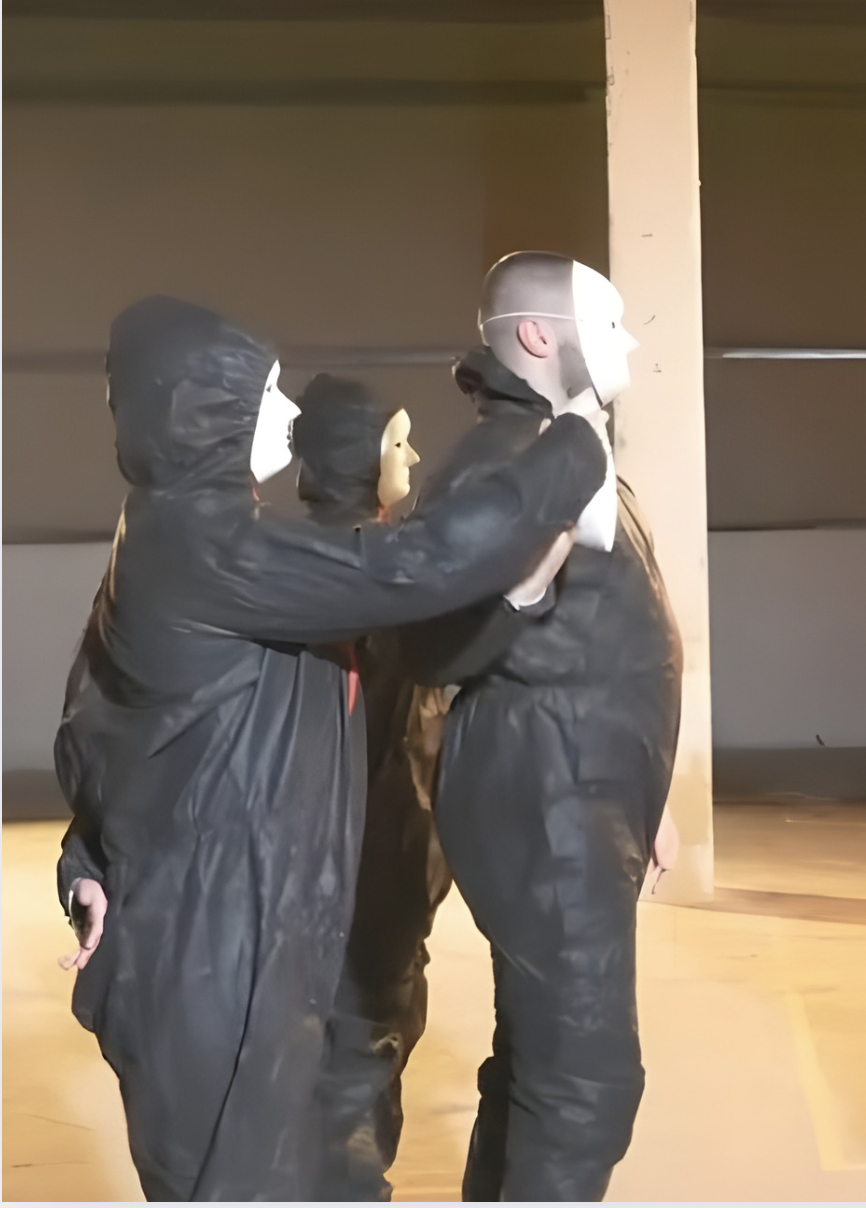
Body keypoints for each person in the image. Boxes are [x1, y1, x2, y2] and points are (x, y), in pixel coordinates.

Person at [52, 296, 602, 1201]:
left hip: (234, 945)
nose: (288, 416)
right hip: (216, 963)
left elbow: (95, 727)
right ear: (203, 409)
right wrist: (574, 441)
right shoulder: (206, 546)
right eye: (265, 395)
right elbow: (415, 566)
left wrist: (86, 864)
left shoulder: (181, 538)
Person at [399, 251, 683, 1201]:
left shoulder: (554, 449)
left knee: (538, 1062)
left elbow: (603, 630)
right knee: (586, 1085)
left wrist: (648, 790)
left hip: (577, 790)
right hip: (546, 800)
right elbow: (432, 641)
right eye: (604, 326)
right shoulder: (505, 466)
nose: (626, 344)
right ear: (535, 336)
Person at [292, 375, 456, 1200]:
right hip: (375, 870)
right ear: (357, 456)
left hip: (307, 878)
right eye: (397, 442)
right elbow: (403, 735)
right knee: (360, 1069)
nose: (413, 454)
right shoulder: (384, 575)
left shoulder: (284, 560)